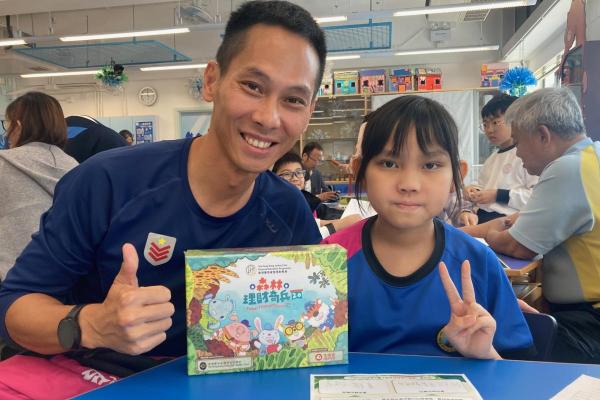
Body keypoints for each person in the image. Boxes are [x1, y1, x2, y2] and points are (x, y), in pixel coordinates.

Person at [0, 0, 325, 360]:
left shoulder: (288, 210)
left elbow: (314, 323)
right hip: (104, 378)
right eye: (252, 86)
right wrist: (92, 324)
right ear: (212, 81)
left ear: (309, 112)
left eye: (293, 100)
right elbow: (14, 307)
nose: (269, 117)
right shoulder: (108, 182)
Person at [323, 95, 533, 359]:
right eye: (389, 163)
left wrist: (485, 353)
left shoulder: (479, 262)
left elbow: (518, 368)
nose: (409, 184)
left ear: (456, 175)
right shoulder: (327, 259)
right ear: (360, 172)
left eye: (431, 165)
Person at [461, 88, 600, 364]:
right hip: (581, 314)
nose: (518, 153)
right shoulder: (591, 156)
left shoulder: (567, 169)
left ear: (543, 135)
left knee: (491, 341)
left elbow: (517, 246)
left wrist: (492, 234)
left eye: (519, 142)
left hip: (587, 324)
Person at [0, 92, 78, 281]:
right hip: (64, 275)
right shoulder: (76, 167)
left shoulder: (3, 164)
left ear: (18, 125)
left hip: (11, 276)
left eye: (7, 125)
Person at [464, 94, 538, 224]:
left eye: (495, 122)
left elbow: (537, 198)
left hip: (508, 220)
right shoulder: (493, 158)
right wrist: (474, 190)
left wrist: (498, 195)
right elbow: (483, 184)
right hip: (482, 216)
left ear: (515, 120)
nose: (489, 130)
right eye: (485, 124)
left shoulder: (529, 155)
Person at [273, 152, 360, 238]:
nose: (295, 178)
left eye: (299, 172)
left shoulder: (301, 198)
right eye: (287, 174)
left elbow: (311, 221)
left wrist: (342, 219)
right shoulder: (275, 207)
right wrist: (338, 225)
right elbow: (303, 235)